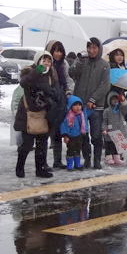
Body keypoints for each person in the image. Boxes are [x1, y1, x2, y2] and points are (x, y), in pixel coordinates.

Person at [14, 51, 62, 179]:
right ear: (37, 61)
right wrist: (37, 72)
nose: (46, 63)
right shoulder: (29, 72)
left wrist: (50, 93)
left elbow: (57, 93)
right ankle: (20, 166)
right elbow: (24, 83)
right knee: (27, 144)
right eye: (43, 60)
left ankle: (40, 169)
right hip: (28, 113)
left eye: (49, 61)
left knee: (42, 144)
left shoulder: (52, 75)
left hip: (44, 114)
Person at [69, 38, 111, 170]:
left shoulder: (104, 65)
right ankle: (87, 159)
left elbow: (105, 85)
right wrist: (78, 62)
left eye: (94, 48)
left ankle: (97, 160)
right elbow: (71, 73)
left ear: (99, 49)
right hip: (80, 106)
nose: (91, 50)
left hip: (96, 107)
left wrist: (93, 99)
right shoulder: (83, 62)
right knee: (83, 134)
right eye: (89, 47)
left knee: (96, 135)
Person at [45, 40, 74, 169]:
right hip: (47, 102)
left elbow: (68, 80)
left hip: (60, 101)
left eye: (60, 51)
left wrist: (68, 91)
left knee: (57, 132)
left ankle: (57, 161)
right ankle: (42, 162)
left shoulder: (64, 64)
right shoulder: (45, 63)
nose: (58, 54)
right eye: (55, 50)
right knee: (44, 134)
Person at [60, 96, 89, 170]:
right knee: (70, 150)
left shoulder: (82, 114)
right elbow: (64, 125)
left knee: (78, 150)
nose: (78, 107)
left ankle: (77, 164)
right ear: (70, 106)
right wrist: (65, 135)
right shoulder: (68, 115)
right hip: (70, 136)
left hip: (79, 135)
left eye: (79, 105)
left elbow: (85, 122)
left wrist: (84, 131)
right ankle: (70, 165)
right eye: (75, 105)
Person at [103, 90, 127, 166]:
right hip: (110, 131)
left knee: (117, 146)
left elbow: (125, 107)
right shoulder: (106, 111)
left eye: (116, 99)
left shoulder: (120, 109)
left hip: (118, 131)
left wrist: (123, 100)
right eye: (113, 99)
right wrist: (104, 128)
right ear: (109, 100)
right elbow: (104, 121)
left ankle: (117, 158)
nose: (115, 101)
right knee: (109, 145)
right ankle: (109, 158)